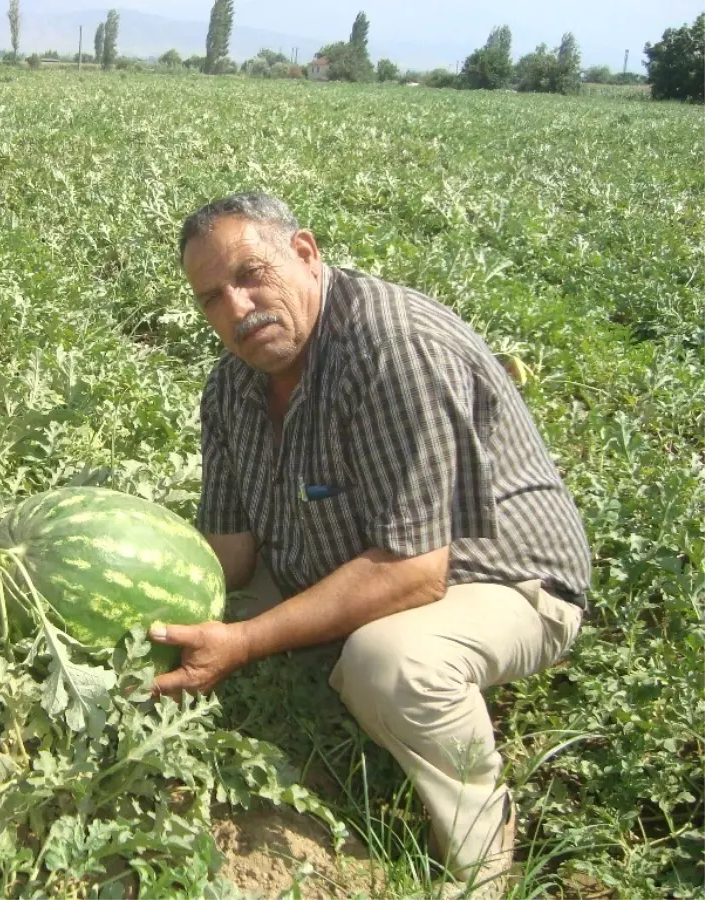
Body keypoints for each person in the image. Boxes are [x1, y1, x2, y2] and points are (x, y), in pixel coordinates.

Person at [148, 193, 592, 895]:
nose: (237, 308)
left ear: (305, 253)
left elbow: (416, 573)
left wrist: (245, 641)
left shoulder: (394, 349)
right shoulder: (232, 386)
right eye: (212, 297)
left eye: (252, 274)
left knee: (389, 662)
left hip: (496, 578)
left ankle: (483, 857)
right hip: (344, 562)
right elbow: (228, 553)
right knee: (170, 623)